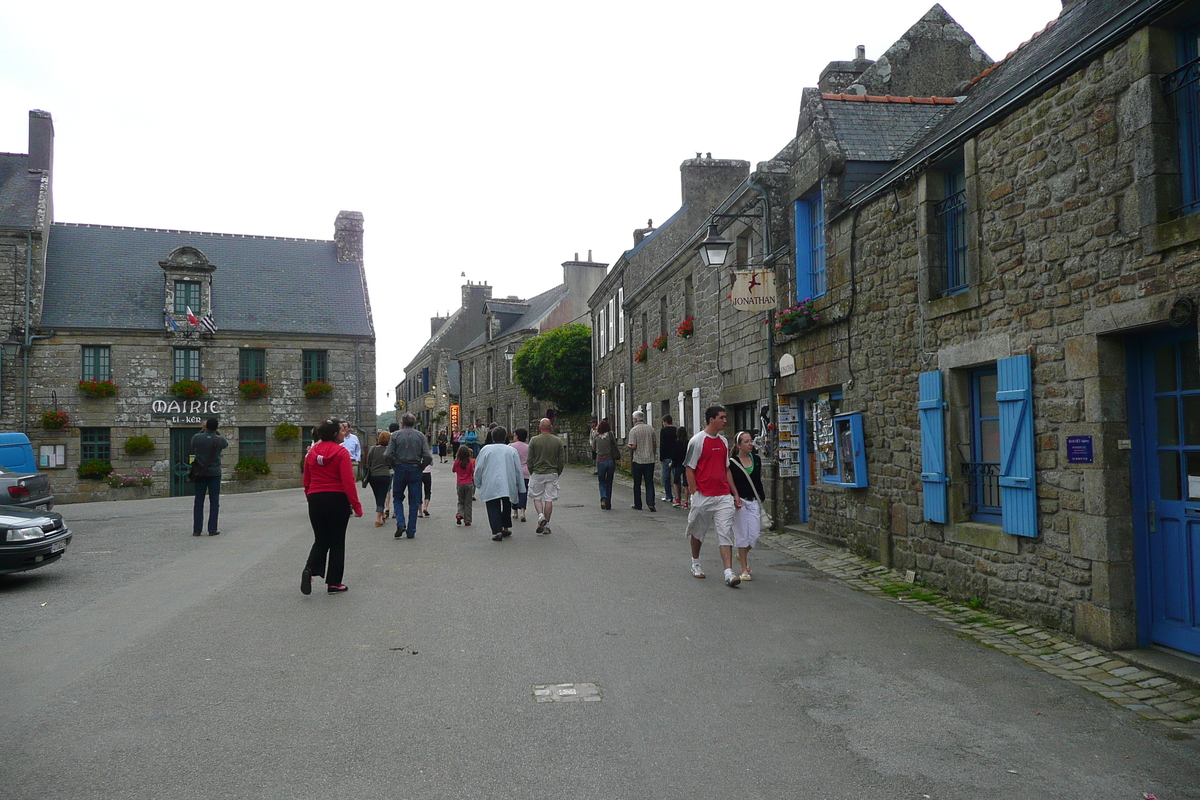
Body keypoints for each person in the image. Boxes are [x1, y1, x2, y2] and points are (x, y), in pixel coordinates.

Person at [301, 418, 363, 595]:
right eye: (342, 431)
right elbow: (348, 481)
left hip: (316, 498)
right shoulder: (341, 453)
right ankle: (334, 582)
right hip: (337, 498)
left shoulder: (312, 453)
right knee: (337, 541)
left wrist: (310, 497)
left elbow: (307, 480)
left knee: (320, 539)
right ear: (335, 434)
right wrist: (356, 506)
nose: (344, 433)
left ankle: (310, 568)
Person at [684, 404, 743, 587]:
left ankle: (728, 572)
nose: (725, 421)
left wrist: (734, 493)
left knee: (725, 531)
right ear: (712, 419)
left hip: (723, 495)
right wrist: (695, 493)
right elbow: (689, 468)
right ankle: (696, 563)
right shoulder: (697, 441)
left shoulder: (724, 442)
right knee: (698, 530)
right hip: (704, 495)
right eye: (722, 418)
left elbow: (726, 469)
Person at [383, 412, 433, 539]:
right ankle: (411, 530)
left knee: (398, 497)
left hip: (400, 467)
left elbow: (388, 454)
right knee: (414, 500)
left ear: (402, 423)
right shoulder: (420, 436)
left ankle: (400, 523)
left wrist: (394, 465)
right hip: (415, 468)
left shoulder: (395, 436)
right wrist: (421, 467)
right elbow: (427, 456)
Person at [728, 430, 766, 582]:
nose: (750, 444)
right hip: (740, 502)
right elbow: (730, 483)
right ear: (738, 445)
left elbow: (757, 480)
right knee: (742, 536)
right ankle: (744, 568)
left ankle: (740, 554)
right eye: (746, 441)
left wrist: (761, 496)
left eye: (751, 441)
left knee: (754, 535)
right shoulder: (731, 462)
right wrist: (734, 498)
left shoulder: (756, 459)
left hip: (754, 500)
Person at [473, 426, 523, 542]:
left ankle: (497, 531)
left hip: (490, 482)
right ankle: (505, 527)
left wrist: (478, 482)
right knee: (506, 505)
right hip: (508, 481)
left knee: (493, 506)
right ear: (505, 437)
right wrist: (521, 487)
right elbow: (518, 470)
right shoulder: (511, 450)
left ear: (492, 436)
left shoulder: (486, 450)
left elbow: (479, 468)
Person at [190, 417, 228, 536]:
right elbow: (225, 444)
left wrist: (203, 431)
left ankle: (197, 530)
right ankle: (212, 529)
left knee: (199, 501)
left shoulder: (197, 437)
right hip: (214, 474)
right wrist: (215, 432)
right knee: (214, 501)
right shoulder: (219, 439)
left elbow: (192, 445)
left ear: (205, 427)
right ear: (216, 427)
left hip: (200, 473)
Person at [527, 417, 565, 534]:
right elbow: (561, 460)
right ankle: (547, 525)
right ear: (551, 428)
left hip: (538, 472)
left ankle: (540, 515)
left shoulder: (534, 440)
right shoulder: (557, 441)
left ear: (540, 428)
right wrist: (558, 471)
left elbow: (529, 459)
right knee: (549, 499)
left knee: (537, 497)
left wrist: (531, 470)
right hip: (552, 472)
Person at [627, 409, 657, 512]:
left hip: (638, 460)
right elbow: (654, 444)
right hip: (649, 459)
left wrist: (629, 446)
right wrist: (653, 453)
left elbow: (633, 445)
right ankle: (651, 503)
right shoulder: (651, 429)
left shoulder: (634, 430)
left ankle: (638, 504)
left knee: (637, 483)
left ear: (635, 419)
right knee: (649, 482)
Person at [363, 430, 393, 527]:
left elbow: (368, 462)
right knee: (382, 496)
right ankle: (378, 518)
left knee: (377, 495)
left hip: (373, 476)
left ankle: (382, 513)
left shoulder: (373, 449)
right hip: (385, 475)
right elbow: (391, 464)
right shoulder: (389, 451)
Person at [594, 418, 618, 510]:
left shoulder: (596, 436)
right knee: (609, 482)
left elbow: (594, 449)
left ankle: (603, 496)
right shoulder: (610, 434)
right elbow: (614, 444)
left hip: (600, 461)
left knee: (601, 481)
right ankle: (608, 504)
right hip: (610, 460)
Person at [509, 427, 531, 522]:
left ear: (517, 436)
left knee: (514, 491)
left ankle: (514, 511)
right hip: (525, 471)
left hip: (514, 471)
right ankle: (522, 511)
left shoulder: (510, 446)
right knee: (523, 491)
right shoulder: (528, 447)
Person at [453, 445, 475, 526]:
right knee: (468, 503)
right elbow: (472, 471)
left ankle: (459, 514)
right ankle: (467, 520)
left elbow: (453, 470)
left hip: (460, 484)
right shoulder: (469, 462)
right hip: (468, 483)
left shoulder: (457, 462)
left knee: (460, 501)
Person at [660, 414, 677, 505]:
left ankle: (668, 496)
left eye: (663, 422)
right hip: (675, 457)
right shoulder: (676, 430)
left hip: (666, 456)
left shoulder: (664, 431)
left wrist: (661, 457)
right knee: (676, 477)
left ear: (666, 422)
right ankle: (677, 496)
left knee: (666, 477)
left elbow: (662, 445)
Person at [671, 426, 689, 509]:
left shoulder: (675, 443)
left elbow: (674, 455)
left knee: (676, 482)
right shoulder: (688, 443)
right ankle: (686, 502)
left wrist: (672, 463)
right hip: (686, 465)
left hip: (678, 464)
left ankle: (677, 499)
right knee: (686, 484)